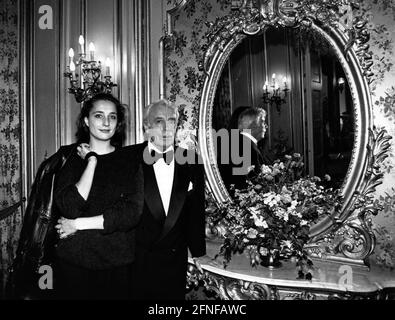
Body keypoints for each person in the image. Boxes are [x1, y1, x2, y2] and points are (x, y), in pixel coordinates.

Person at [57, 99, 213, 300]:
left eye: (172, 121)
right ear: (146, 126)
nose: (166, 128)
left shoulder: (191, 160)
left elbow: (195, 211)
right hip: (135, 262)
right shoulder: (127, 157)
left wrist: (199, 252)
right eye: (158, 121)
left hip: (174, 263)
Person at [53, 93, 144, 299]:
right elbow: (70, 207)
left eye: (112, 117)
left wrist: (77, 224)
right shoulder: (72, 159)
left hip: (117, 265)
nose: (106, 122)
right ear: (86, 120)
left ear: (118, 122)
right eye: (98, 116)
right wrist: (92, 161)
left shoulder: (129, 161)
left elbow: (131, 213)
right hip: (74, 264)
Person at [221, 107, 269, 190]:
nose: (266, 126)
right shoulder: (249, 149)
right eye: (263, 122)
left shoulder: (237, 142)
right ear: (254, 125)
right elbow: (249, 183)